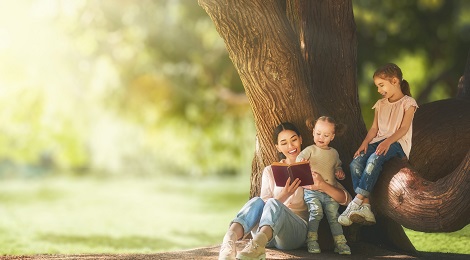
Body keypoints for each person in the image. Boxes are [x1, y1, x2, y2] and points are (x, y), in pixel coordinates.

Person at [218, 122, 352, 260]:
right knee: (257, 201)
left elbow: (346, 200)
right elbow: (263, 206)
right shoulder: (270, 171)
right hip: (266, 235)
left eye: (294, 140)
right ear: (278, 147)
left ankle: (257, 246)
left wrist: (322, 185)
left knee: (274, 204)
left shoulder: (315, 168)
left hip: (294, 233)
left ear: (300, 139)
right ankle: (228, 243)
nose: (290, 146)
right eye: (284, 143)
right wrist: (285, 194)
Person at [338, 63, 418, 227]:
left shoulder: (408, 103)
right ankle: (366, 207)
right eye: (377, 86)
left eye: (381, 85)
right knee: (356, 163)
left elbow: (403, 128)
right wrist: (364, 143)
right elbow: (374, 128)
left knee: (374, 160)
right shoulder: (380, 104)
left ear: (395, 81)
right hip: (378, 141)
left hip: (397, 143)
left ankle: (355, 203)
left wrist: (388, 141)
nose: (379, 90)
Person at [296, 116, 351, 255]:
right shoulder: (310, 150)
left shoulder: (334, 153)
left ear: (332, 136)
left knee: (334, 216)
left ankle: (340, 243)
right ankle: (311, 240)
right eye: (318, 133)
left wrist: (339, 172)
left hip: (329, 190)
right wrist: (302, 162)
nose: (321, 137)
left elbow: (338, 167)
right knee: (316, 212)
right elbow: (298, 160)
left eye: (326, 135)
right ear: (313, 132)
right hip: (312, 190)